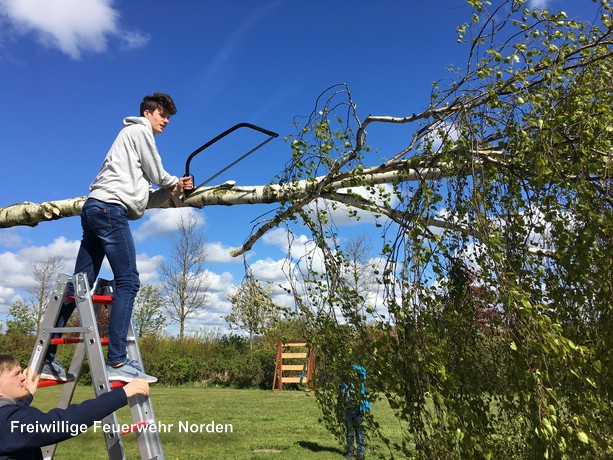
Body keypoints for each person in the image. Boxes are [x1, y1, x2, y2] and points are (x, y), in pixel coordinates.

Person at [41, 93, 193, 384]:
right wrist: (175, 182)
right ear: (147, 113)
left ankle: (46, 359)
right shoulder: (139, 131)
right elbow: (159, 173)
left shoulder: (129, 150)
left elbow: (142, 198)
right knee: (128, 281)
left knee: (78, 285)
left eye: (168, 116)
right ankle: (118, 361)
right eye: (162, 114)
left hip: (96, 207)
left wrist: (171, 192)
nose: (166, 120)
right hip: (110, 210)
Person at [0, 354, 150, 460]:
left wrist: (27, 396)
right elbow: (62, 423)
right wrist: (121, 394)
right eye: (16, 374)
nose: (23, 377)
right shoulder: (8, 422)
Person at [340, 365, 370, 459]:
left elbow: (363, 370)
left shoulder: (360, 380)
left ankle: (360, 453)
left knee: (359, 432)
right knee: (349, 432)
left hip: (358, 409)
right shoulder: (344, 382)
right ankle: (350, 452)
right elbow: (341, 395)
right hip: (348, 409)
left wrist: (351, 366)